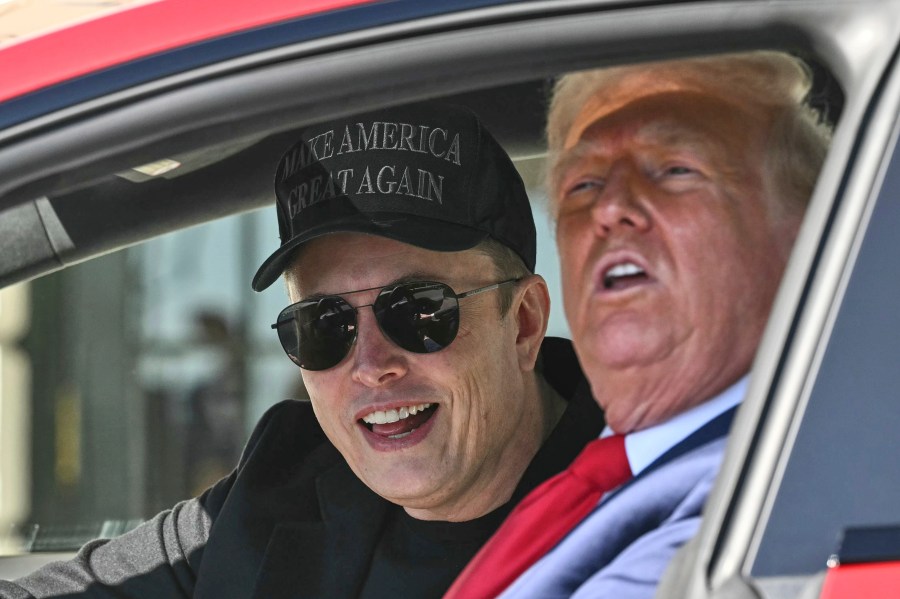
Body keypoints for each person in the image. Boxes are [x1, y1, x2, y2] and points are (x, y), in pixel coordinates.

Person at [1, 103, 605, 598]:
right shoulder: (285, 479)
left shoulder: (661, 505)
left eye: (419, 311)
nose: (371, 365)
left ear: (523, 323)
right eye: (324, 326)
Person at [445, 51, 833, 598]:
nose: (610, 208)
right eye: (583, 185)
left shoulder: (778, 502)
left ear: (808, 237)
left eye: (676, 169)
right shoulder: (615, 482)